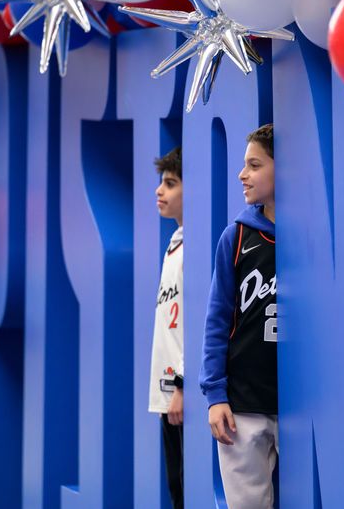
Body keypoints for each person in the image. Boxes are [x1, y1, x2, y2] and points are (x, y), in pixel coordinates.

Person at [200, 124, 277, 509]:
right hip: (244, 407)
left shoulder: (317, 235)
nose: (242, 174)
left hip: (308, 406)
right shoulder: (237, 237)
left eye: (254, 165)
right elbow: (216, 321)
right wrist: (215, 394)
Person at [148, 146, 185, 509]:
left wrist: (184, 385)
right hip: (169, 393)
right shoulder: (174, 244)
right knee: (176, 488)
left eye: (170, 183)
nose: (160, 191)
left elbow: (202, 320)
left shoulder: (197, 247)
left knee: (188, 489)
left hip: (184, 393)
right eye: (161, 183)